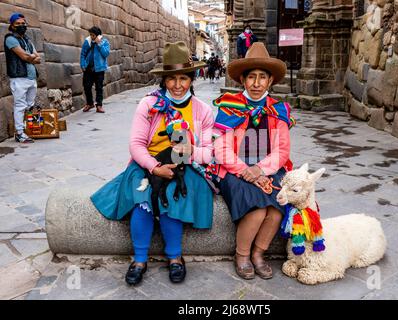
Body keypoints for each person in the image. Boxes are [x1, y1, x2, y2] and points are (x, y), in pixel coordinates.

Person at [90, 41, 214, 286]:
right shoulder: (149, 105)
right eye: (171, 79)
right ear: (163, 81)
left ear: (192, 78)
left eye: (183, 78)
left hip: (183, 165)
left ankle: (175, 257)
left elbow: (208, 154)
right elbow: (136, 144)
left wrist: (189, 152)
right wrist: (154, 167)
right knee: (143, 199)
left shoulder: (202, 110)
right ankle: (139, 259)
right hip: (147, 163)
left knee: (173, 196)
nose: (177, 85)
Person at [212, 42, 295, 280]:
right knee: (257, 209)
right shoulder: (229, 107)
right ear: (242, 79)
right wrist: (245, 170)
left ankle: (259, 253)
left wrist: (260, 169)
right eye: (251, 77)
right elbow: (221, 147)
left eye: (262, 77)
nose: (256, 83)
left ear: (270, 81)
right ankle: (242, 255)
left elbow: (282, 151)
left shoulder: (278, 111)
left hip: (267, 166)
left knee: (277, 208)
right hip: (234, 169)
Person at [4, 13, 41, 143]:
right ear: (12, 25)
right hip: (19, 78)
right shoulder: (10, 39)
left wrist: (30, 56)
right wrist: (30, 56)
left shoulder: (27, 39)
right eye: (18, 24)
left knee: (30, 105)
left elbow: (38, 58)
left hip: (31, 77)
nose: (21, 26)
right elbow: (25, 57)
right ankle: (19, 133)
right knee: (20, 105)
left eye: (23, 23)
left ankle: (29, 130)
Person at [80, 26, 110, 113]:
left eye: (93, 35)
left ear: (97, 35)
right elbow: (83, 54)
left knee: (99, 87)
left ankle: (99, 105)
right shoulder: (87, 41)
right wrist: (82, 64)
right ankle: (90, 103)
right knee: (87, 86)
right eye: (90, 35)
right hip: (88, 68)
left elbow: (106, 54)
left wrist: (99, 44)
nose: (91, 37)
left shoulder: (104, 42)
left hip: (99, 69)